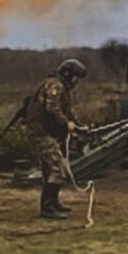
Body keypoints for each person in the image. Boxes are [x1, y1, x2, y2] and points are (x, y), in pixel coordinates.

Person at [24, 59, 88, 220]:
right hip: (39, 132)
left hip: (44, 132)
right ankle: (47, 209)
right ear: (68, 75)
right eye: (75, 78)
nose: (76, 82)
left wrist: (78, 126)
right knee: (58, 168)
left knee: (49, 169)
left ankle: (53, 203)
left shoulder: (59, 86)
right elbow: (53, 109)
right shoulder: (56, 86)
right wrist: (68, 125)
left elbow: (66, 112)